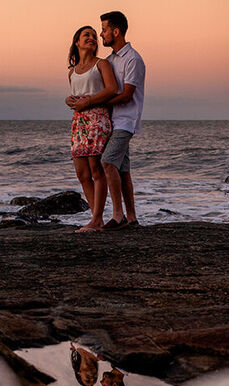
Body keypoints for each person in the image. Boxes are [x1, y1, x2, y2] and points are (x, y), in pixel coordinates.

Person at [73, 10, 145, 230]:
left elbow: (127, 94)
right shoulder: (111, 60)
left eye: (104, 30)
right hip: (112, 120)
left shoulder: (133, 59)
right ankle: (131, 218)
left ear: (116, 31)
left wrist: (92, 104)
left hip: (126, 120)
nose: (101, 34)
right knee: (122, 169)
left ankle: (117, 215)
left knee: (107, 162)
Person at [66, 26, 118, 233]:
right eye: (86, 35)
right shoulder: (72, 72)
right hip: (79, 122)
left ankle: (96, 219)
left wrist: (87, 102)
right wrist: (69, 100)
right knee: (82, 173)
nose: (92, 38)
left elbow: (112, 89)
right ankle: (97, 218)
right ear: (77, 42)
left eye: (94, 36)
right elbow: (77, 95)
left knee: (96, 170)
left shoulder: (101, 64)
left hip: (97, 118)